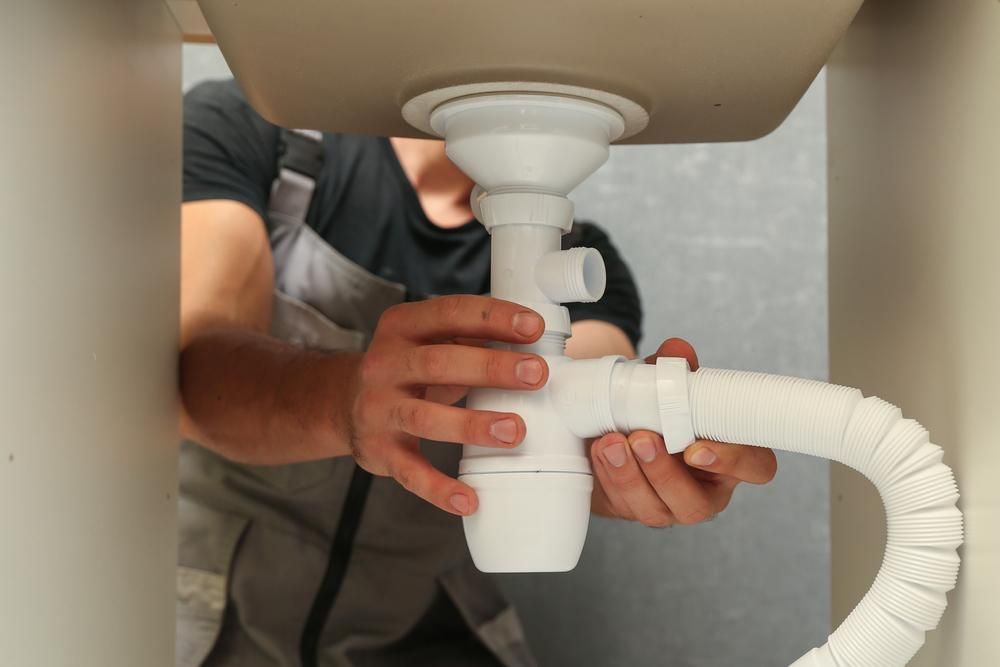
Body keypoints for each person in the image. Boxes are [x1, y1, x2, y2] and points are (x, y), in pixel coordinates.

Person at [177, 78, 778, 667]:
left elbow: (585, 427)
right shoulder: (260, 133)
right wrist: (343, 400)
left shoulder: (589, 268)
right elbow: (195, 372)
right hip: (201, 616)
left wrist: (646, 452)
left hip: (415, 633)